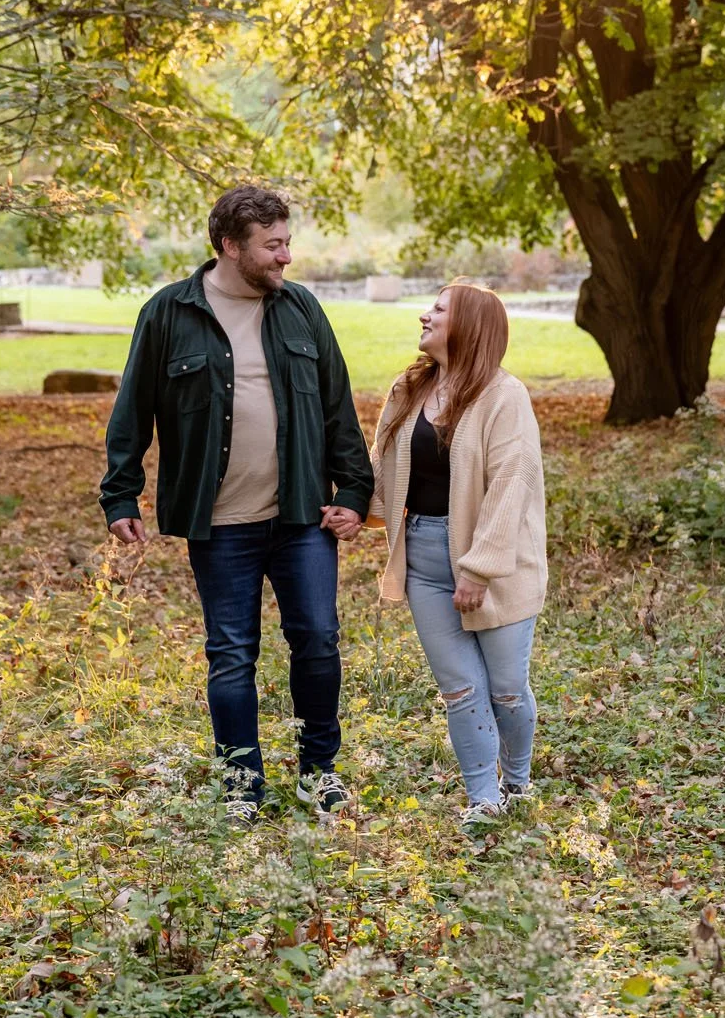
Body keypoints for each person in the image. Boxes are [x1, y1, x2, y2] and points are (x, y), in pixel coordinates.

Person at [100, 185, 374, 822]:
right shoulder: (169, 313)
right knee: (231, 656)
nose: (286, 257)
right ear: (229, 245)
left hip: (303, 514)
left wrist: (354, 492)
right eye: (272, 245)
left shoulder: (300, 309)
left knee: (319, 642)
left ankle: (319, 772)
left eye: (286, 242)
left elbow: (337, 406)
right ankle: (241, 785)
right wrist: (121, 492)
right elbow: (132, 410)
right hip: (220, 523)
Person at [363, 282, 547, 827]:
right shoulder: (411, 389)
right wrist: (359, 510)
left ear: (469, 325)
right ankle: (483, 802)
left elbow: (510, 485)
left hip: (498, 566)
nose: (425, 315)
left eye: (438, 310)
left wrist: (478, 569)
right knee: (461, 689)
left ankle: (517, 783)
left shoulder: (504, 396)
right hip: (423, 557)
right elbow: (386, 464)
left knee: (508, 691)